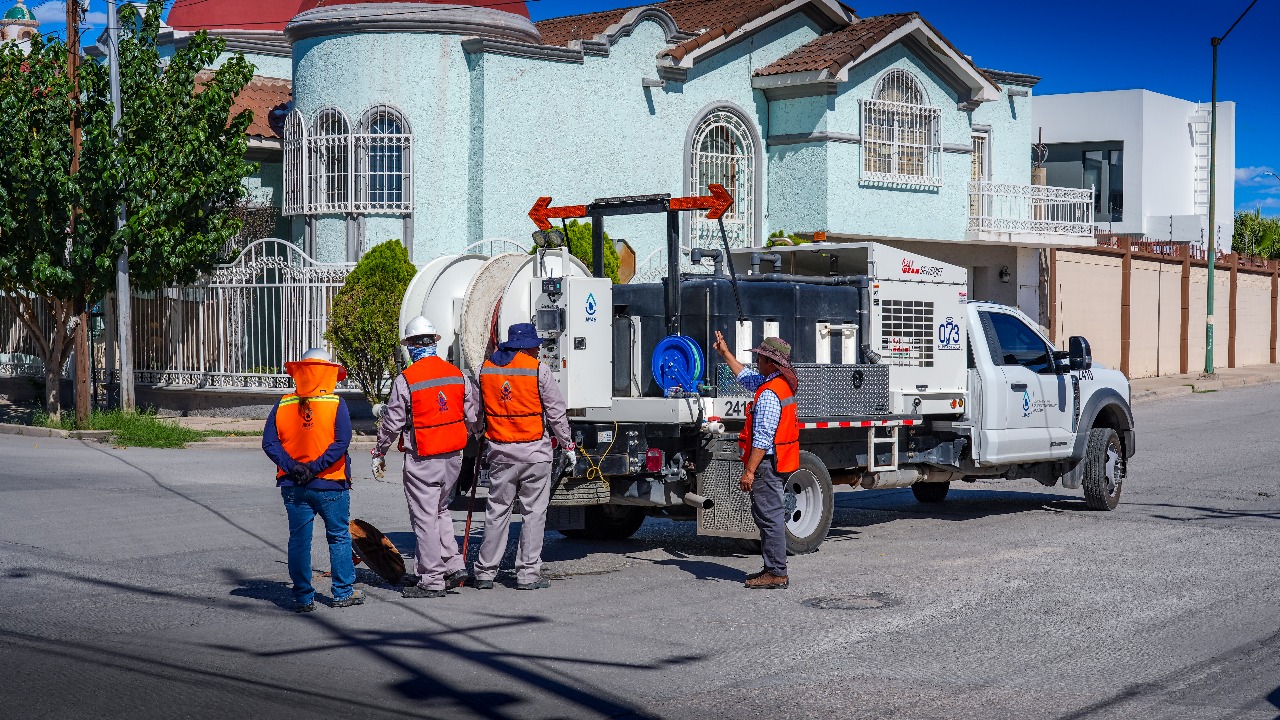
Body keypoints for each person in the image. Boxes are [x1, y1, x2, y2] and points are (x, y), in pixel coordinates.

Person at [372, 316, 482, 599]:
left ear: (410, 346)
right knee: (441, 510)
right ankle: (454, 565)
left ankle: (431, 579)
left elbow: (393, 422)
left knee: (424, 517)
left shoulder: (406, 379)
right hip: (453, 456)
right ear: (434, 342)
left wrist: (379, 451)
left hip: (423, 456)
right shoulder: (457, 375)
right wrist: (460, 434)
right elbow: (473, 416)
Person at [472, 322, 573, 590]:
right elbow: (556, 413)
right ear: (526, 346)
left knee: (496, 513)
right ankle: (527, 574)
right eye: (535, 345)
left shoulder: (487, 370)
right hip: (535, 455)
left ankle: (485, 573)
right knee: (533, 514)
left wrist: (480, 431)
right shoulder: (538, 370)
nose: (539, 350)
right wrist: (568, 445)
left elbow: (475, 414)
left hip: (501, 454)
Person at [262, 348, 362, 612]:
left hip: (293, 485)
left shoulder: (282, 404)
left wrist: (294, 468)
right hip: (330, 483)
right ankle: (342, 593)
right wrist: (315, 468)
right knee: (339, 536)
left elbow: (269, 443)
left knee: (298, 539)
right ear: (327, 373)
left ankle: (304, 598)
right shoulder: (335, 403)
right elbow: (341, 442)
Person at [712, 331, 800, 590]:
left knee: (770, 517)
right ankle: (772, 567)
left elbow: (762, 439)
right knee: (768, 516)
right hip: (779, 461)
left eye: (761, 357)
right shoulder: (774, 383)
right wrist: (725, 354)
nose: (757, 361)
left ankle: (776, 572)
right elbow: (745, 377)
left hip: (767, 464)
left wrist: (749, 471)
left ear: (771, 363)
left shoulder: (770, 394)